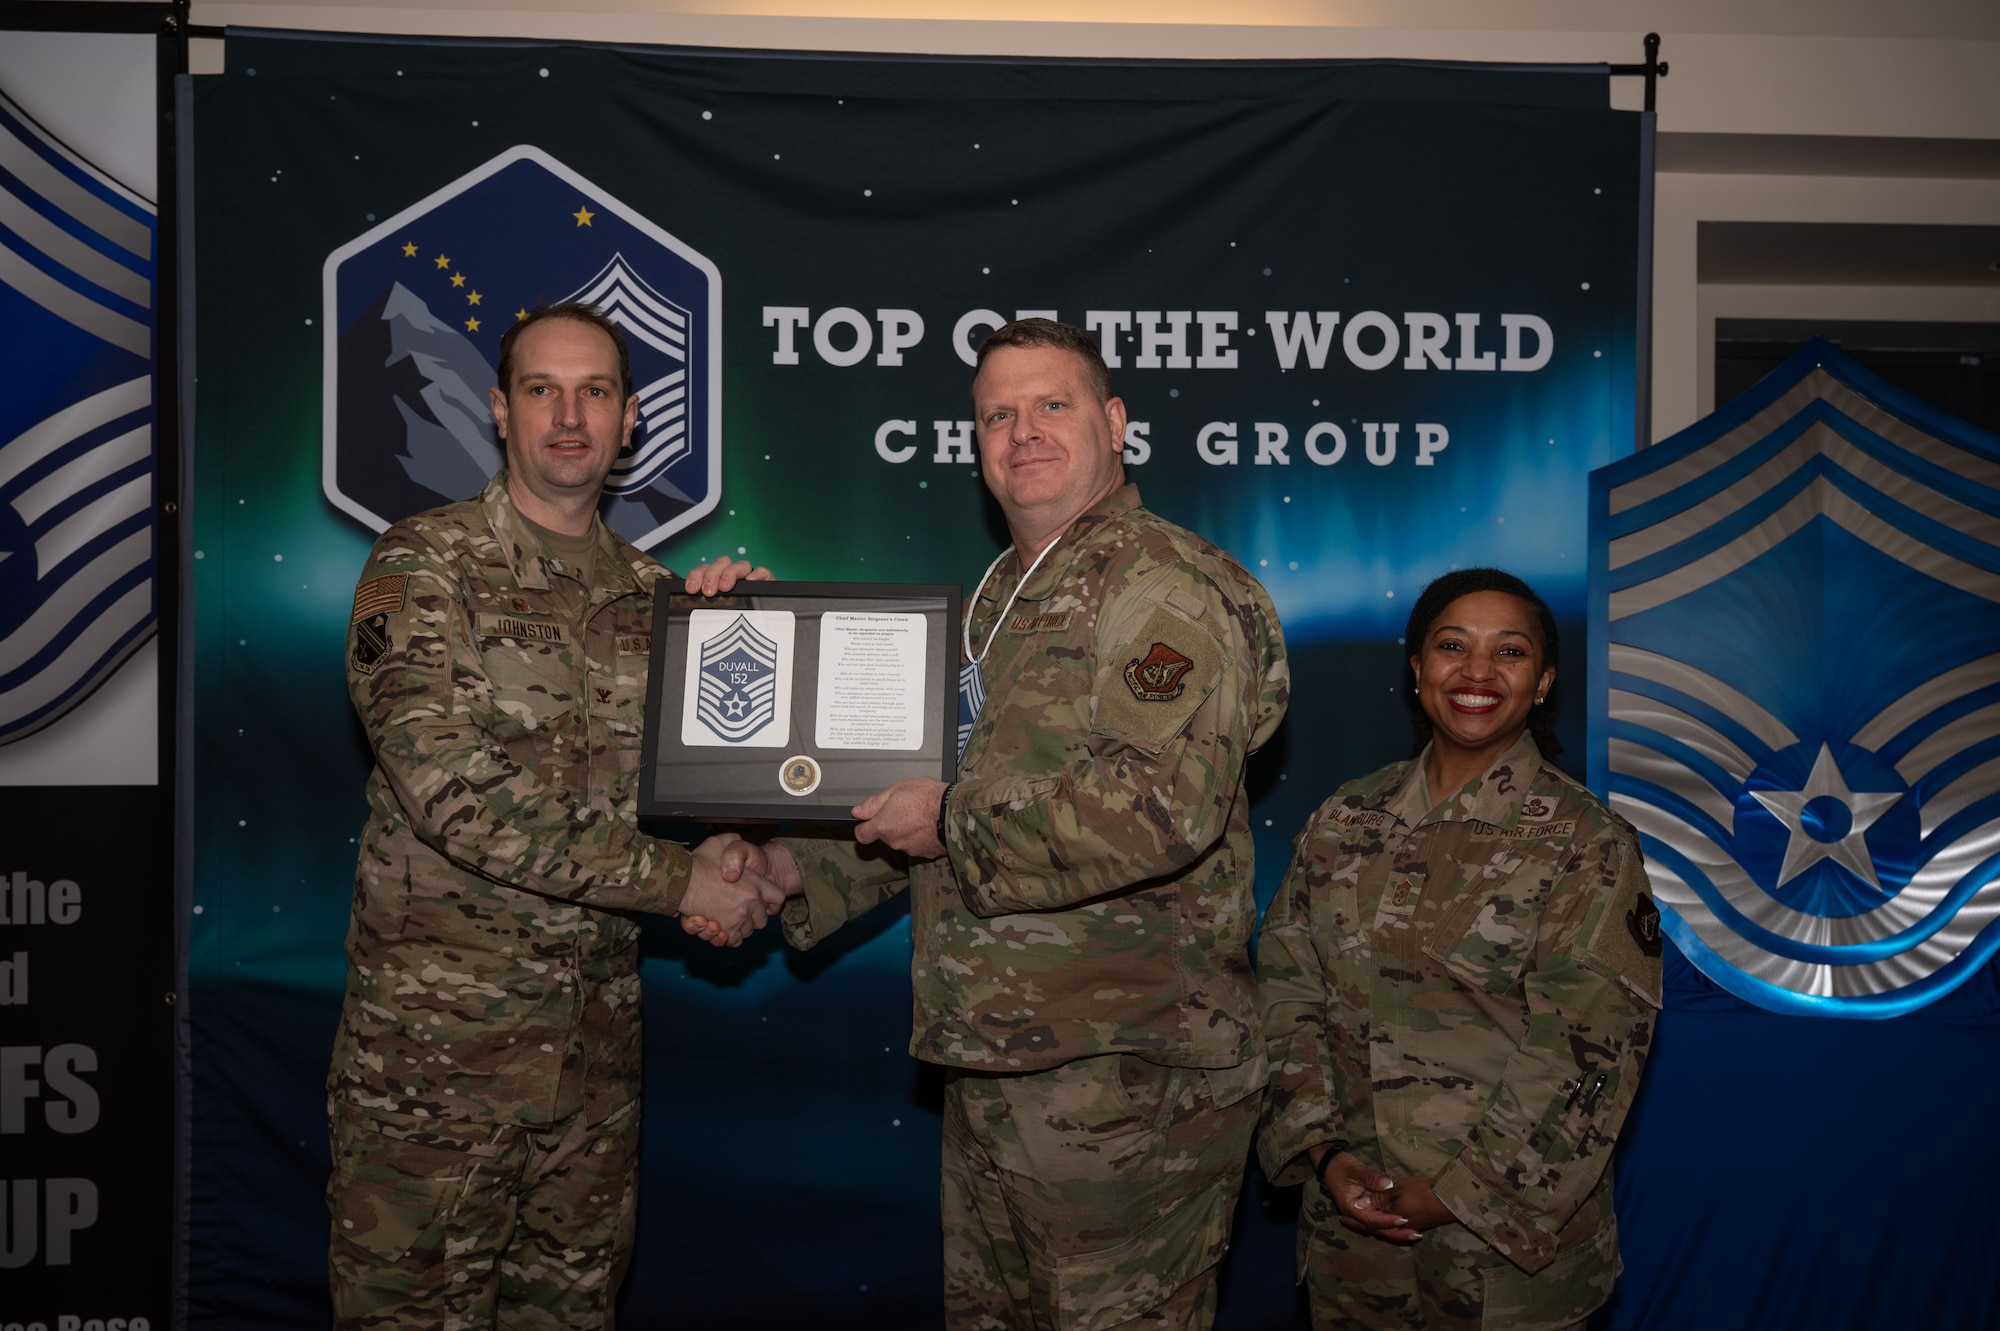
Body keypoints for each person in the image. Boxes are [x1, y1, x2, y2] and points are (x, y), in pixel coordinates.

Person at [704, 318, 1289, 1330]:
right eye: (997, 414)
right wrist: (790, 871)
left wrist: (949, 819)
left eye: (1051, 404)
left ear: (1114, 424)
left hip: (1125, 1081)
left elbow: (1157, 808)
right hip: (1002, 1057)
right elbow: (927, 800)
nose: (1023, 430)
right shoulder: (999, 604)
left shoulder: (1162, 585)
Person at [324, 301, 791, 1328]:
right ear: (499, 411)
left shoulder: (659, 600)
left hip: (590, 1075)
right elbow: (450, 788)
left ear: (630, 419)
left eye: (596, 391)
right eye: (543, 390)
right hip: (433, 1078)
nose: (568, 415)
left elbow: (695, 803)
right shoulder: (421, 565)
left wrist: (751, 641)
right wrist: (683, 883)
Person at [1257, 568, 1663, 1331]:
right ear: (1417, 670)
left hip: (1506, 1259)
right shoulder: (1343, 819)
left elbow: (1591, 1048)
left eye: (1508, 652)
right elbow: (1286, 990)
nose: (1477, 671)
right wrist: (1322, 1150)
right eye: (1452, 646)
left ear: (1542, 682)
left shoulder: (1587, 841)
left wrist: (1463, 1192)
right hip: (1353, 1240)